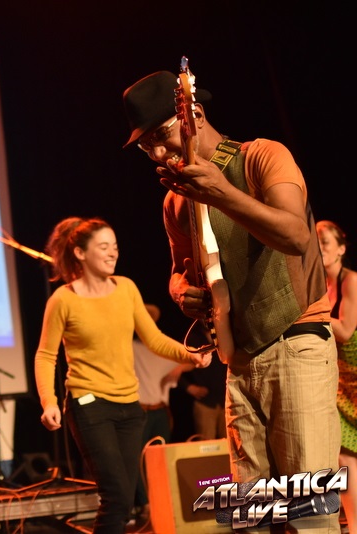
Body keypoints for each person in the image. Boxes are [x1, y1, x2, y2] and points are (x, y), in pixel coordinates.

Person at [122, 69, 339, 532]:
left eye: (161, 136)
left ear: (194, 116)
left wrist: (221, 192)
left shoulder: (262, 157)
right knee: (251, 518)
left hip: (296, 343)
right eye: (146, 147)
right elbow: (179, 271)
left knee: (308, 516)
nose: (157, 154)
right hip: (238, 361)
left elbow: (297, 236)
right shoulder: (175, 201)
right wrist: (182, 291)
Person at [33, 217, 210, 534]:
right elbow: (46, 355)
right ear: (80, 253)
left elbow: (154, 339)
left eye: (114, 246)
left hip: (130, 407)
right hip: (89, 405)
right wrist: (49, 401)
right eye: (103, 247)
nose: (113, 253)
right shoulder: (63, 299)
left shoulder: (126, 288)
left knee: (125, 499)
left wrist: (190, 354)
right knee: (115, 498)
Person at [317, 220, 357, 532]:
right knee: (344, 456)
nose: (319, 249)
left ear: (341, 249)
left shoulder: (351, 280)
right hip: (341, 380)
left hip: (356, 376)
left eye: (325, 243)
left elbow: (344, 330)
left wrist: (313, 313)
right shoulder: (322, 286)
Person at [131, 302, 182, 524]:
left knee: (161, 459)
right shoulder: (130, 347)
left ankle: (162, 501)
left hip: (160, 411)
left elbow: (191, 357)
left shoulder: (161, 349)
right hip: (140, 411)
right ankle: (145, 504)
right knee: (138, 459)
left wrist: (179, 369)